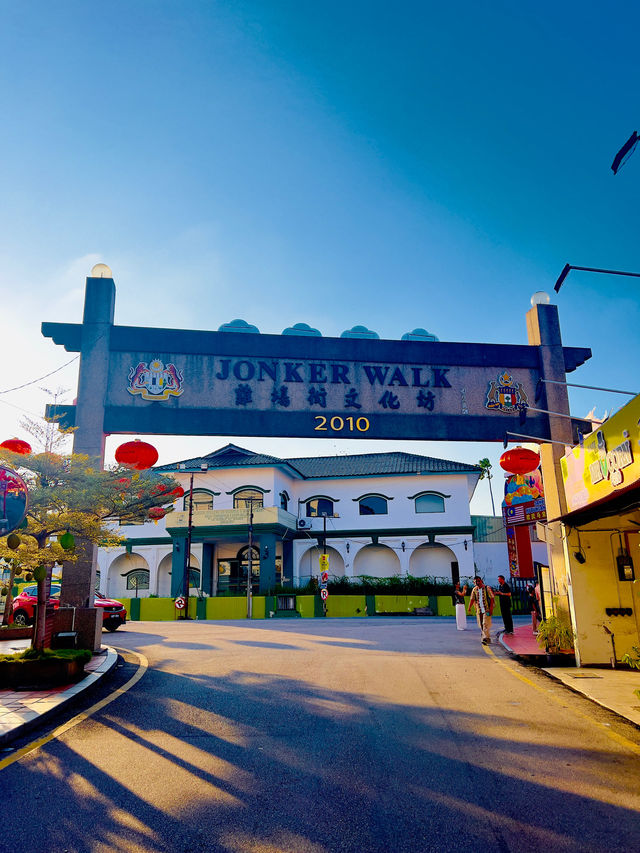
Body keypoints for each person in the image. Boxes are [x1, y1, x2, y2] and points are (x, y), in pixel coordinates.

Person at [468, 575, 494, 645]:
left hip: (487, 609)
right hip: (479, 610)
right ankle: (487, 638)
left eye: (479, 581)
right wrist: (469, 607)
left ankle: (485, 638)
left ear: (481, 581)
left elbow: (492, 598)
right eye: (476, 581)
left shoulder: (487, 588)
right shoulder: (474, 589)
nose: (477, 582)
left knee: (485, 623)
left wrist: (491, 608)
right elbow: (472, 599)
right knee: (481, 625)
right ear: (474, 582)